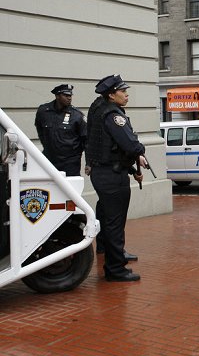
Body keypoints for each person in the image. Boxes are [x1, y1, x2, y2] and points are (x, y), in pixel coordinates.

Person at [86, 74, 147, 282]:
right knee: (115, 223)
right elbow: (131, 145)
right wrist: (140, 149)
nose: (126, 95)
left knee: (107, 218)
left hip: (103, 172)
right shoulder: (113, 115)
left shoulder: (98, 108)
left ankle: (113, 256)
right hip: (112, 176)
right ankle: (115, 269)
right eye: (123, 91)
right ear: (112, 95)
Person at [34, 84, 87, 176]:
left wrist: (85, 160)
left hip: (70, 162)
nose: (69, 98)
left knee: (70, 188)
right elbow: (40, 130)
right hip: (49, 159)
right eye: (66, 95)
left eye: (70, 96)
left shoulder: (77, 115)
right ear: (57, 96)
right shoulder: (44, 111)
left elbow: (86, 139)